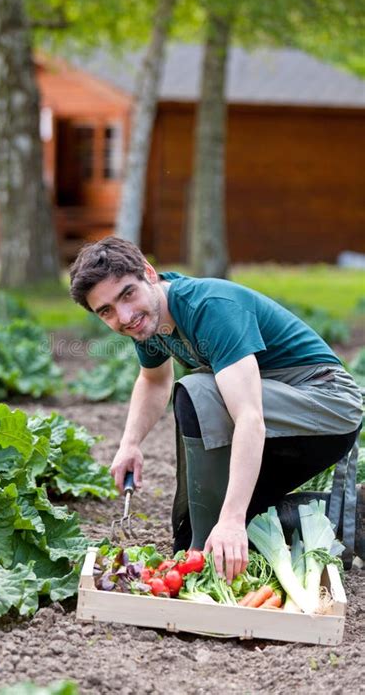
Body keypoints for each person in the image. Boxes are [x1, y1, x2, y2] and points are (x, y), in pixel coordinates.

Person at [69, 236, 363, 583]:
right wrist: (130, 444)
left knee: (198, 395)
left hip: (326, 405)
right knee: (200, 535)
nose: (125, 316)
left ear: (149, 273)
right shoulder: (152, 320)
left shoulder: (209, 308)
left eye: (127, 294)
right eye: (106, 311)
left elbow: (249, 417)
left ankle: (223, 535)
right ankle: (352, 516)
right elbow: (153, 380)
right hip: (282, 412)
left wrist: (232, 520)